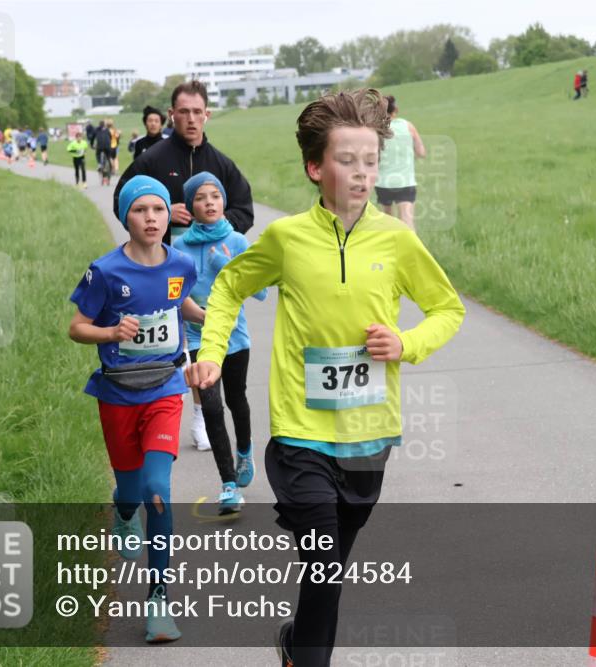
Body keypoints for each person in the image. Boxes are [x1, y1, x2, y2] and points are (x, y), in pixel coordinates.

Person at [189, 88, 465, 667]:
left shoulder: (396, 239)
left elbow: (448, 310)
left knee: (330, 569)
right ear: (316, 168)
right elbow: (229, 288)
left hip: (369, 432)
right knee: (323, 556)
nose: (363, 174)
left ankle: (296, 645)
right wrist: (212, 353)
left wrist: (406, 343)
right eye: (348, 161)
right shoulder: (287, 239)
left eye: (370, 161)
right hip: (301, 432)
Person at [68, 175, 205, 644]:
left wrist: (216, 316)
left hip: (166, 388)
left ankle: (159, 601)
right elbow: (76, 327)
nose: (151, 218)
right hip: (118, 394)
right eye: (141, 210)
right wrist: (111, 334)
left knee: (156, 488)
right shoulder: (105, 272)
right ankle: (122, 513)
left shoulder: (181, 263)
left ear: (170, 215)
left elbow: (179, 302)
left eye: (159, 210)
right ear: (125, 216)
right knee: (129, 490)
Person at [174, 172, 266, 512]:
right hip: (199, 335)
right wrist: (190, 311)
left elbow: (260, 292)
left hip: (234, 336)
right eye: (201, 197)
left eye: (215, 196)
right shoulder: (179, 247)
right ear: (190, 205)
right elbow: (174, 291)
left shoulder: (238, 241)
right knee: (210, 405)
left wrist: (226, 265)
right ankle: (228, 484)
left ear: (224, 201)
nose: (209, 202)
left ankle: (244, 452)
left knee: (236, 398)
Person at [114, 80, 255, 245]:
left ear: (206, 115)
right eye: (184, 112)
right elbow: (121, 202)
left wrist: (220, 220)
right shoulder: (150, 161)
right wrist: (163, 214)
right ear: (171, 115)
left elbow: (244, 211)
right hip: (161, 262)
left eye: (197, 112)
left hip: (213, 263)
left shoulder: (223, 165)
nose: (191, 119)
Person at [375, 95, 426, 231]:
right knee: (407, 221)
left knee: (387, 222)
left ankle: (390, 250)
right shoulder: (408, 126)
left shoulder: (376, 130)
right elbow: (421, 152)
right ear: (395, 109)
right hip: (405, 182)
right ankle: (411, 251)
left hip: (383, 183)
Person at [94, 121, 113, 185]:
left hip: (99, 147)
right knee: (109, 157)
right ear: (104, 125)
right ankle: (111, 168)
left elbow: (92, 137)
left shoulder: (96, 129)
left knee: (97, 154)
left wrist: (91, 144)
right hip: (108, 147)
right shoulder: (107, 130)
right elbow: (110, 137)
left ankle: (99, 164)